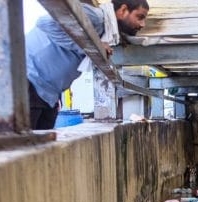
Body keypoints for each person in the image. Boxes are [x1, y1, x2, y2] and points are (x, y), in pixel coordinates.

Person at [26, 0, 149, 130]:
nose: (142, 24)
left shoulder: (105, 32)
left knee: (41, 145)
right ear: (123, 10)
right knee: (25, 145)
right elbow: (46, 23)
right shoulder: (96, 17)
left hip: (47, 93)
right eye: (140, 17)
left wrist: (93, 46)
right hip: (31, 80)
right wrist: (92, 47)